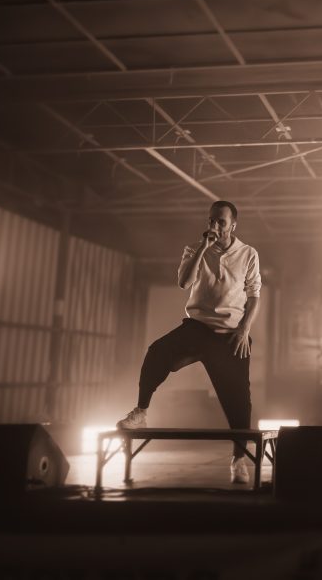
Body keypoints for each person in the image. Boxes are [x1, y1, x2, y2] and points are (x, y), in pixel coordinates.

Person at [116, 200, 262, 484]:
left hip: (230, 335)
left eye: (221, 222)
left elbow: (254, 295)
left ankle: (238, 459)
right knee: (157, 352)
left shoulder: (248, 254)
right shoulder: (194, 249)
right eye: (211, 220)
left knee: (239, 402)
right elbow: (184, 282)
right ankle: (141, 412)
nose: (215, 226)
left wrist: (245, 329)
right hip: (197, 328)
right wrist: (203, 248)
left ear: (233, 225)